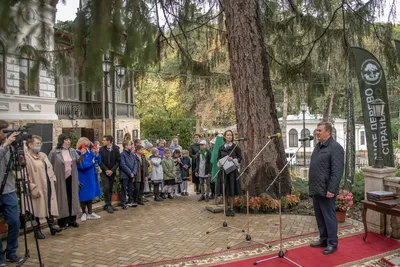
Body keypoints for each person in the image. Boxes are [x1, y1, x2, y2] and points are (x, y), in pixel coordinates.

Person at [308, 122, 344, 255]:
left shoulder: (335, 148)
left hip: (327, 190)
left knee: (329, 217)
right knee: (319, 216)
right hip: (316, 188)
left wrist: (332, 189)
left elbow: (337, 171)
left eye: (320, 130)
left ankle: (332, 243)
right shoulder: (318, 147)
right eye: (316, 130)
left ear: (328, 132)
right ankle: (323, 239)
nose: (317, 133)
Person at [25, 135, 62, 239]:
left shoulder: (43, 155)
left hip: (48, 184)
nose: (39, 146)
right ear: (30, 145)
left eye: (40, 144)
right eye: (37, 144)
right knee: (36, 208)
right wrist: (31, 186)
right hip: (37, 186)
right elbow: (24, 174)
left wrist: (53, 178)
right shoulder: (27, 158)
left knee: (49, 205)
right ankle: (37, 230)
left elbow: (49, 167)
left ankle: (51, 226)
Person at [0, 121, 24, 264]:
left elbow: (15, 168)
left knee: (15, 221)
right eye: (3, 131)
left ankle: (11, 252)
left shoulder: (10, 148)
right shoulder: (5, 147)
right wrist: (5, 145)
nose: (6, 134)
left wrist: (20, 161)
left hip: (8, 190)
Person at [49, 134, 80, 229]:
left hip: (71, 177)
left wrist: (81, 155)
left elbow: (78, 162)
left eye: (69, 139)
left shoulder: (73, 151)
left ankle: (72, 219)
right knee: (62, 198)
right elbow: (49, 165)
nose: (68, 141)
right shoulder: (54, 152)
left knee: (72, 197)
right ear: (61, 141)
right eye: (66, 140)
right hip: (60, 178)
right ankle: (62, 221)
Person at [216, 130, 242, 217]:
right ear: (225, 137)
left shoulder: (236, 147)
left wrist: (233, 159)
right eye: (228, 135)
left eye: (231, 135)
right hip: (223, 172)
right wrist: (219, 163)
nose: (229, 136)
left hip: (232, 172)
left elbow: (240, 159)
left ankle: (231, 208)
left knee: (232, 190)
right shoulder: (221, 148)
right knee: (224, 190)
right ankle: (225, 209)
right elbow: (218, 158)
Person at [76, 138, 102, 221]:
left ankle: (90, 212)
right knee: (83, 195)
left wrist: (97, 155)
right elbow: (81, 165)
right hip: (83, 177)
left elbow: (97, 161)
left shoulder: (89, 151)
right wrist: (91, 162)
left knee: (90, 194)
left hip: (91, 176)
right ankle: (83, 212)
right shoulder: (78, 152)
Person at [99, 135, 121, 214]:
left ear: (109, 141)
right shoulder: (101, 149)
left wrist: (112, 170)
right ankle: (107, 205)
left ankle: (109, 204)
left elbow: (118, 161)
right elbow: (100, 161)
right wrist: (106, 170)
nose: (103, 141)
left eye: (104, 140)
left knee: (110, 188)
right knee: (106, 187)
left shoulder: (116, 149)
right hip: (104, 172)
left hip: (112, 172)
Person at [119, 140, 137, 208]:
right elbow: (123, 165)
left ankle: (130, 201)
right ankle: (123, 202)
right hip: (125, 175)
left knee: (130, 188)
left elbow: (135, 163)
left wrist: (133, 172)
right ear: (126, 146)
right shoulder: (122, 154)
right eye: (130, 145)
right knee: (124, 189)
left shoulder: (132, 154)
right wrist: (130, 172)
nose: (131, 146)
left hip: (131, 174)